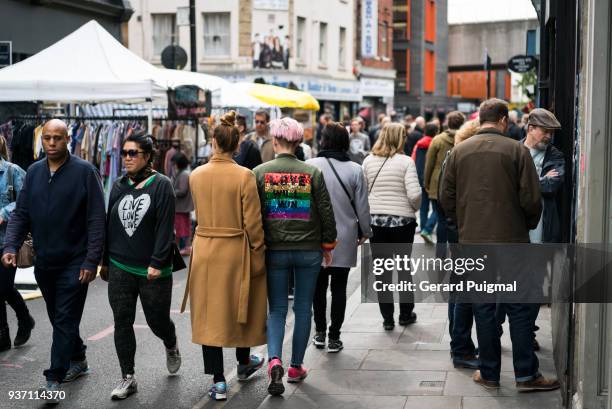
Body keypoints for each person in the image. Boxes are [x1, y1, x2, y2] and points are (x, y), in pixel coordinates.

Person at [439, 98, 560, 392]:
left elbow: (445, 198)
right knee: (519, 308)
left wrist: (462, 225)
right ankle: (526, 375)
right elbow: (532, 199)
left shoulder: (458, 152)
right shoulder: (517, 151)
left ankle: (489, 372)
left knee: (483, 308)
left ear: (481, 119)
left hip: (473, 243)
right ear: (504, 120)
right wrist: (527, 225)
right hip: (513, 243)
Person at [2, 119, 106, 404]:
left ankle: (53, 379)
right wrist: (11, 245)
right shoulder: (34, 172)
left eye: (57, 138)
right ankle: (78, 357)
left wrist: (91, 260)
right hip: (45, 261)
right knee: (59, 316)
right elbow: (21, 213)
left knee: (63, 319)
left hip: (75, 261)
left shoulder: (85, 172)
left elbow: (97, 220)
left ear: (67, 139)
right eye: (47, 138)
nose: (51, 143)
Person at [185, 111, 267, 401]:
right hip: (236, 250)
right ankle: (243, 364)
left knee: (210, 316)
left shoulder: (196, 175)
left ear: (213, 143)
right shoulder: (244, 176)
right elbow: (254, 224)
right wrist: (259, 254)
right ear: (236, 145)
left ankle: (219, 380)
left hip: (205, 249)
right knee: (239, 309)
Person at [253, 117, 337, 396]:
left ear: (275, 141)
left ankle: (274, 358)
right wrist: (328, 245)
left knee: (276, 309)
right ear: (299, 142)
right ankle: (295, 366)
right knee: (303, 308)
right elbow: (325, 211)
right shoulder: (312, 173)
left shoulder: (260, 173)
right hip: (308, 251)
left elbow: (254, 215)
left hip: (274, 250)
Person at [100, 133, 181, 400]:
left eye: (132, 153)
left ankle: (170, 342)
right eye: (124, 153)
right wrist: (104, 261)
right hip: (120, 263)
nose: (126, 158)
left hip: (152, 269)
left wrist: (157, 262)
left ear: (147, 156)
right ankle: (128, 377)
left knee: (156, 321)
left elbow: (164, 228)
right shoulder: (119, 185)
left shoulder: (162, 185)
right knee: (122, 321)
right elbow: (109, 224)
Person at [307, 123, 372, 353]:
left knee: (318, 287)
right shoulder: (355, 170)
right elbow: (363, 208)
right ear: (345, 142)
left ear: (323, 140)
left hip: (315, 237)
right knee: (339, 288)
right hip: (345, 237)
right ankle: (335, 336)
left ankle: (320, 332)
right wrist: (366, 232)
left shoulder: (309, 166)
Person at [362, 123, 421, 330]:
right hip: (402, 223)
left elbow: (362, 193)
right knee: (404, 269)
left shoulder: (368, 161)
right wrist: (414, 208)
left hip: (376, 223)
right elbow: (414, 194)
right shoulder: (406, 162)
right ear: (400, 138)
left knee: (382, 272)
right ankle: (406, 314)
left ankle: (387, 318)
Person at [0, 135, 34, 352]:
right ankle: (3, 336)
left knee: (1, 288)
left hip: (7, 241)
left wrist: (4, 212)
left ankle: (24, 318)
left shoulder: (12, 171)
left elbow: (28, 200)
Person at [423, 111, 465, 257]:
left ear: (448, 122)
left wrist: (426, 183)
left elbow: (429, 163)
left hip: (438, 183)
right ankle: (457, 254)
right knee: (457, 222)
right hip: (459, 185)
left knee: (441, 220)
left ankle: (440, 254)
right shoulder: (466, 139)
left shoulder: (438, 139)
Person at [412, 123, 439, 244]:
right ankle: (428, 228)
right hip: (433, 180)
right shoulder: (437, 144)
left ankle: (423, 227)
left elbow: (413, 160)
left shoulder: (418, 144)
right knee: (437, 208)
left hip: (420, 178)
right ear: (436, 132)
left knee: (423, 207)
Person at [171, 152, 194, 256]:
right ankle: (183, 247)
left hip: (182, 206)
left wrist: (172, 192)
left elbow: (182, 190)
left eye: (175, 163)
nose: (173, 165)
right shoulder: (182, 173)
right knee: (182, 226)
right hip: (182, 206)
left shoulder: (184, 174)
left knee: (182, 227)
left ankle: (186, 247)